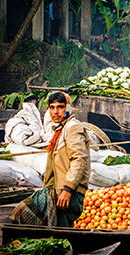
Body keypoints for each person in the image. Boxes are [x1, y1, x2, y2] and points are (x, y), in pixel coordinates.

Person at [12, 92, 90, 227]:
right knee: (58, 231)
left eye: (60, 107)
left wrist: (68, 189)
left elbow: (79, 160)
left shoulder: (73, 128)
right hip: (57, 190)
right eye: (52, 107)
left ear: (68, 108)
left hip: (68, 193)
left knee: (21, 211)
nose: (56, 112)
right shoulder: (60, 130)